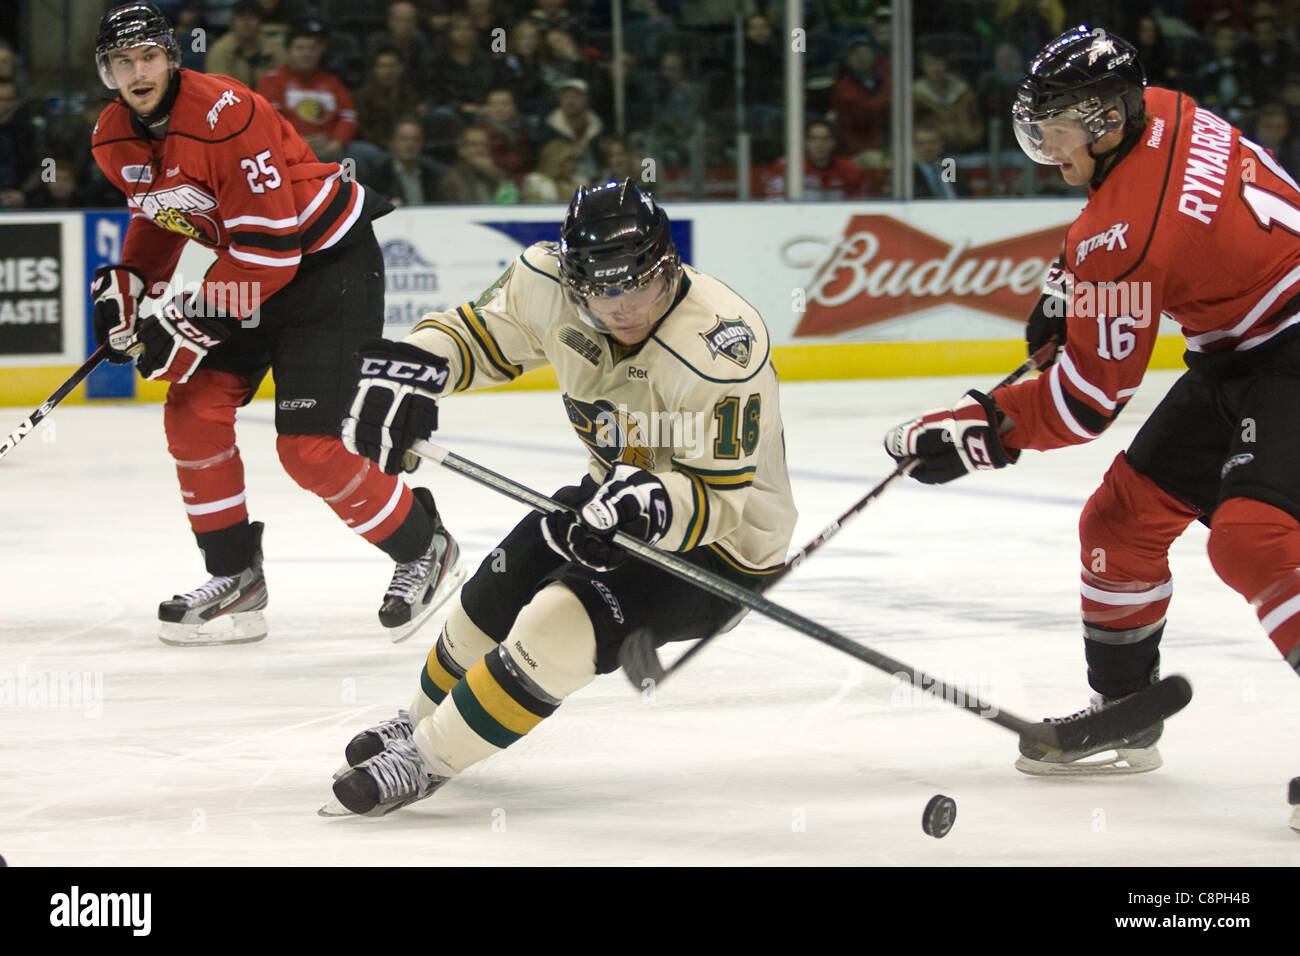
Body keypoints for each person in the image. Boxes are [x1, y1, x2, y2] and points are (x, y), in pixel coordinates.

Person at [883, 25, 1300, 829]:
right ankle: (1126, 711)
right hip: (1242, 350)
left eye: (1056, 131)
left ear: (1107, 120)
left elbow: (1086, 403)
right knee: (1120, 522)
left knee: (1254, 538)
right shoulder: (1163, 110)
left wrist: (975, 431)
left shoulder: (1124, 232)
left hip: (1288, 349)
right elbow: (1132, 223)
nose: (1044, 147)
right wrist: (1068, 283)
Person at [326, 180, 797, 815]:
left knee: (557, 623)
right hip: (608, 499)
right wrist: (416, 367)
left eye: (638, 281)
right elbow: (480, 336)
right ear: (574, 280)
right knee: (490, 593)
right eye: (600, 287)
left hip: (719, 548)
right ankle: (420, 719)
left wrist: (643, 508)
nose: (621, 304)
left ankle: (430, 759)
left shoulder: (719, 349)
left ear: (668, 264)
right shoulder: (545, 283)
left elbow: (718, 500)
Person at [88, 2, 463, 646]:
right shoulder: (111, 137)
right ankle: (236, 576)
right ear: (108, 72)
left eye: (148, 56)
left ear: (171, 58)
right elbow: (161, 211)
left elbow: (274, 251)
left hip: (324, 267)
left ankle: (423, 545)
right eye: (123, 62)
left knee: (308, 449)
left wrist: (182, 319)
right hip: (251, 271)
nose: (138, 71)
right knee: (192, 411)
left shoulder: (225, 113)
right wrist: (131, 280)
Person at [255, 20, 357, 163]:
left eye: (312, 48)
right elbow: (269, 119)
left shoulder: (332, 82)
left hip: (330, 148)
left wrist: (338, 141)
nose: (307, 53)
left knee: (364, 153)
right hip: (288, 149)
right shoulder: (272, 81)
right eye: (300, 48)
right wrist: (297, 140)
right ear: (288, 51)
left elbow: (348, 116)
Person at [203, 0, 285, 89]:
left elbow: (285, 77)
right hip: (233, 98)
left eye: (251, 18)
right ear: (232, 23)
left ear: (260, 23)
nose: (246, 24)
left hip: (267, 98)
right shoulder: (220, 50)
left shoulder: (272, 48)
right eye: (241, 18)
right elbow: (219, 86)